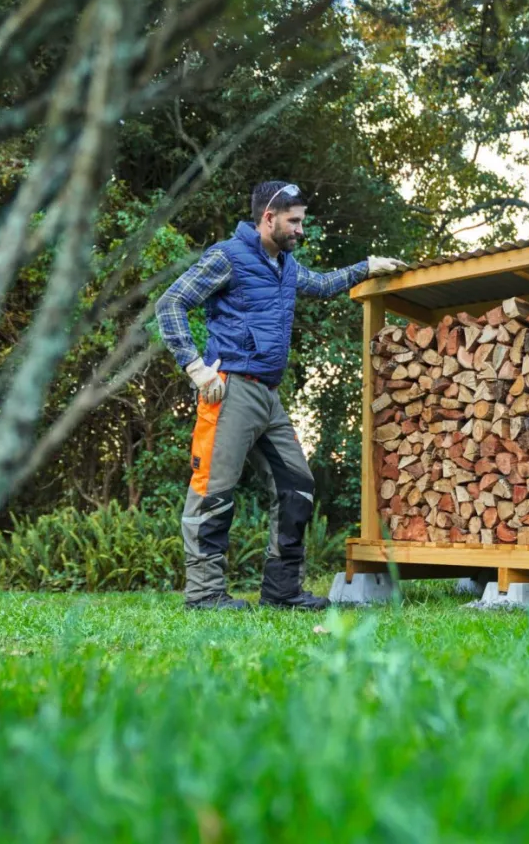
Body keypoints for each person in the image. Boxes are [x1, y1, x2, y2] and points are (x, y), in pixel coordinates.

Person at [154, 181, 407, 611]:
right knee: (212, 490)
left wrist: (366, 266)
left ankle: (282, 590)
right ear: (268, 218)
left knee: (298, 485)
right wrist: (195, 368)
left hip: (268, 397)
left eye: (302, 221)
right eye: (294, 221)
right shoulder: (227, 257)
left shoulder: (285, 266)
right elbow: (171, 302)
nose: (300, 230)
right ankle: (204, 595)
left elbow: (323, 285)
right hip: (228, 389)